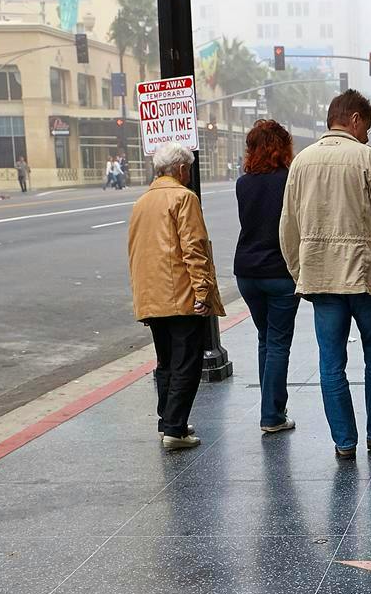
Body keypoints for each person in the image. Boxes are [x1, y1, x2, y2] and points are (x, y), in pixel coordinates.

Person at [279, 88, 371, 460]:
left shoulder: (301, 163)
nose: (368, 134)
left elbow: (288, 226)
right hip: (367, 277)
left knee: (330, 362)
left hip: (321, 278)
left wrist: (299, 270)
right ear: (353, 119)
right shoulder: (368, 159)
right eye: (366, 125)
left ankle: (344, 440)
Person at [127, 141, 224, 451]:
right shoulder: (183, 198)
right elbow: (194, 248)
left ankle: (166, 420)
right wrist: (202, 290)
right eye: (189, 170)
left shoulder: (142, 202)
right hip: (180, 295)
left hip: (152, 295)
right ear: (182, 169)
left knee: (166, 361)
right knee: (187, 362)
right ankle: (176, 428)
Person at [234, 118, 301, 436]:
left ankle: (271, 407)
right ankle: (272, 414)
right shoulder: (288, 181)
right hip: (279, 272)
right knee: (277, 343)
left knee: (265, 338)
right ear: (282, 147)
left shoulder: (242, 184)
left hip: (247, 273)